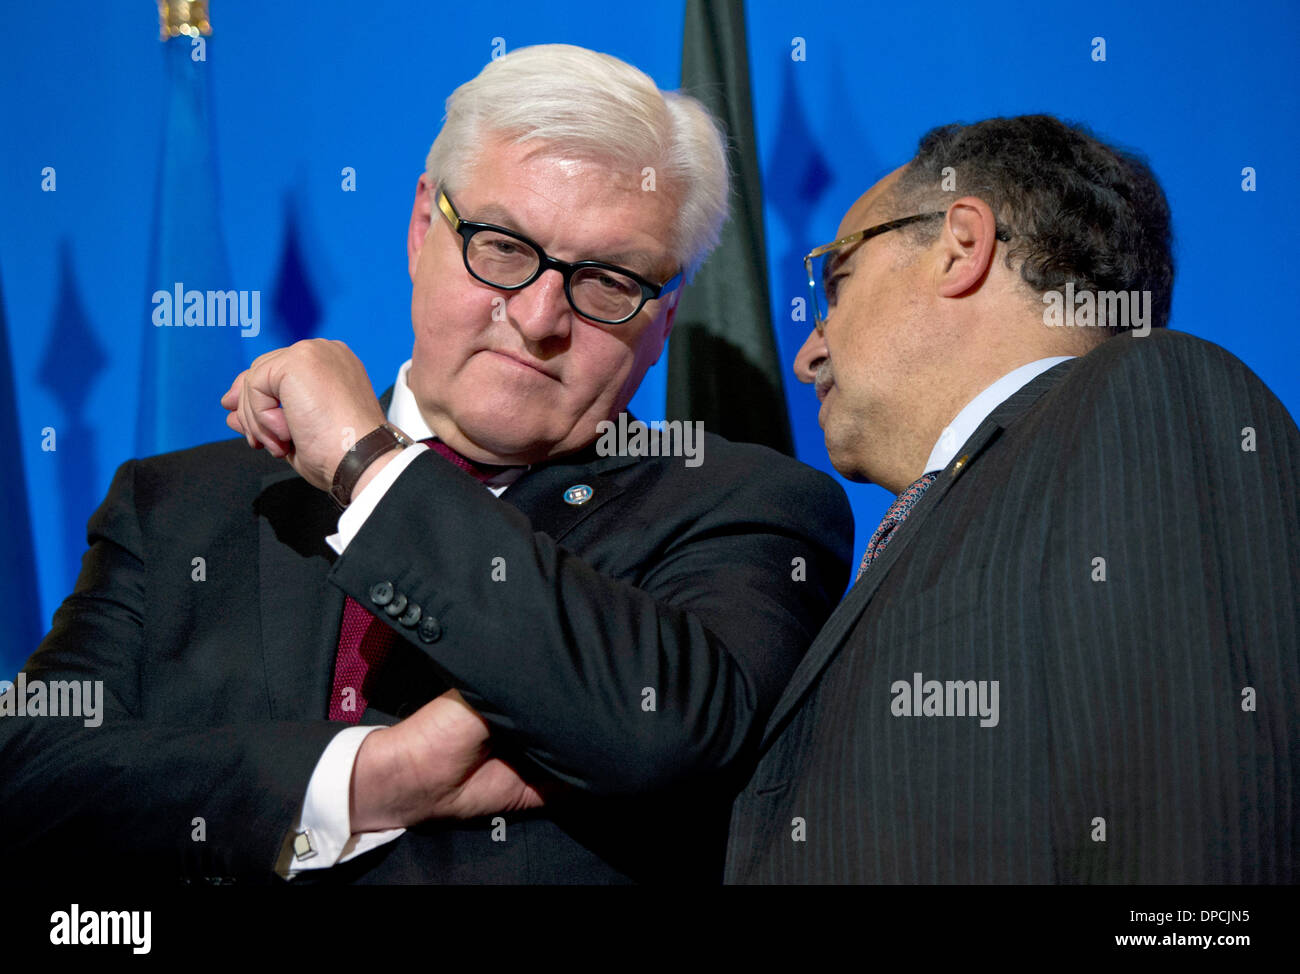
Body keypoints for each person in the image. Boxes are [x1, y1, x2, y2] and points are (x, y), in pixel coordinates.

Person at [0, 44, 852, 884]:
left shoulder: (753, 509)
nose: (539, 316)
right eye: (504, 246)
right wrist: (364, 779)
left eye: (605, 281)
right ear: (420, 227)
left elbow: (667, 736)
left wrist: (368, 467)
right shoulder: (179, 504)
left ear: (663, 320)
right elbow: (28, 777)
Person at [726, 114, 1300, 884]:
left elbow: (1209, 858)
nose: (808, 352)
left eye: (837, 282)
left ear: (961, 246)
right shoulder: (946, 517)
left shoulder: (1153, 399)